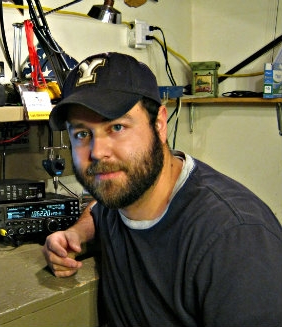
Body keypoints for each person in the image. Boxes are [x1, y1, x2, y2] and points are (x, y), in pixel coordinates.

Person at [42, 52, 282, 326]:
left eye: (117, 127)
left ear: (159, 125)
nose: (97, 152)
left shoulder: (235, 240)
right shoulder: (122, 194)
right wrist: (75, 234)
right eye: (82, 134)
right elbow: (100, 209)